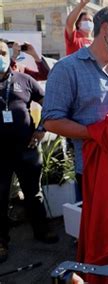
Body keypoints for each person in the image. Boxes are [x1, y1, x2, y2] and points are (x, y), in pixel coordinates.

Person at [41, 6, 108, 202]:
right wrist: (95, 133)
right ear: (106, 29)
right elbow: (51, 121)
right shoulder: (66, 69)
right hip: (93, 171)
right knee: (101, 230)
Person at [0, 41, 58, 263]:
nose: (0, 57)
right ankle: (1, 241)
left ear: (10, 56)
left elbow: (50, 104)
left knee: (33, 193)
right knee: (0, 197)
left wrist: (42, 129)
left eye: (3, 53)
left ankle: (41, 230)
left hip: (27, 148)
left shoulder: (24, 80)